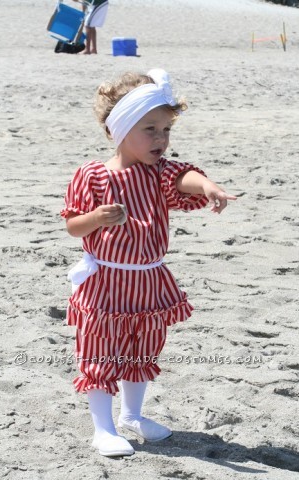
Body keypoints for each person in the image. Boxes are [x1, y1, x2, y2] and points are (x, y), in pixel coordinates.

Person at [61, 69, 237, 457]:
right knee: (101, 353)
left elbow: (183, 177)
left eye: (166, 130)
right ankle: (103, 428)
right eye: (150, 129)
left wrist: (208, 186)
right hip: (105, 283)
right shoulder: (92, 175)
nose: (161, 139)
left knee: (143, 350)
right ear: (118, 130)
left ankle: (132, 416)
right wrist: (96, 219)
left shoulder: (158, 173)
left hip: (149, 281)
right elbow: (73, 225)